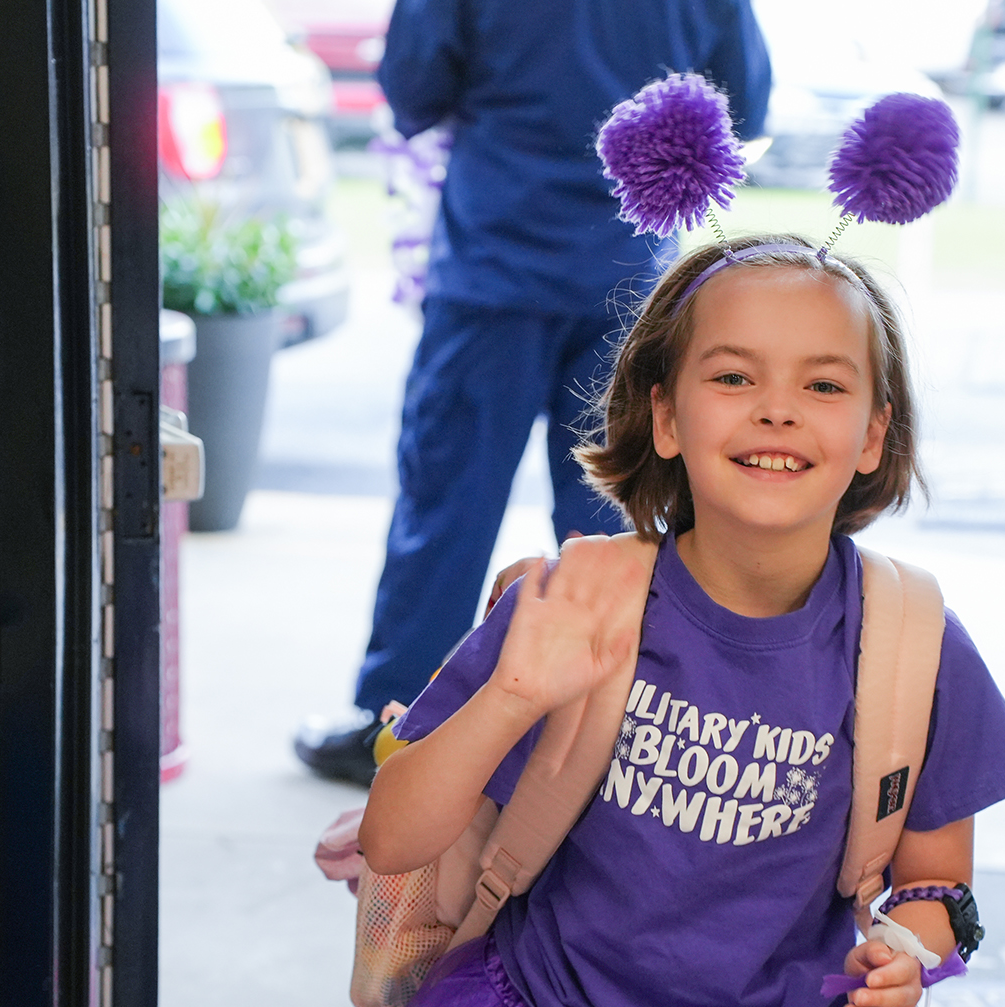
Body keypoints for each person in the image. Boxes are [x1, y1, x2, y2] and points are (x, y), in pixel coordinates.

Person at [263, 234, 1005, 1007]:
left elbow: (935, 885)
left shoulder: (911, 642)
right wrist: (511, 696)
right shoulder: (575, 600)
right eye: (733, 377)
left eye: (821, 384)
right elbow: (395, 838)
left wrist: (909, 959)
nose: (776, 410)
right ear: (666, 418)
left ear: (872, 436)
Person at [293, 0, 772, 786]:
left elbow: (412, 87)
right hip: (628, 274)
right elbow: (743, 101)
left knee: (447, 503)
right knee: (615, 516)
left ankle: (397, 721)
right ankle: (612, 733)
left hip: (495, 259)